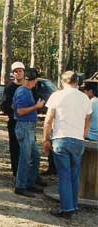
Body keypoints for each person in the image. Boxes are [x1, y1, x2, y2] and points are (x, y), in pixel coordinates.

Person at [43, 71, 92, 218]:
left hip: (61, 138)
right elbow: (88, 118)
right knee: (74, 174)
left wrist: (46, 139)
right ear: (77, 82)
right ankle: (73, 205)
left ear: (63, 82)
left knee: (64, 175)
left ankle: (66, 208)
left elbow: (48, 120)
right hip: (77, 139)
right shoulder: (85, 98)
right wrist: (83, 133)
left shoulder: (57, 96)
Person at [12, 68, 45, 197]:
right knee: (25, 158)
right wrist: (36, 107)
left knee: (35, 156)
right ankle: (20, 186)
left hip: (29, 127)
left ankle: (29, 183)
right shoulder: (22, 91)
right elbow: (19, 111)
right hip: (24, 126)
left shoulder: (27, 91)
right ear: (35, 80)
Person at [0, 62, 25, 178]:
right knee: (15, 148)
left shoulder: (30, 86)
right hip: (14, 122)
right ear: (13, 74)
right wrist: (14, 109)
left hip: (28, 122)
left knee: (30, 149)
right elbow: (4, 106)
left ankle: (30, 175)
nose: (18, 73)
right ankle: (16, 174)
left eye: (20, 71)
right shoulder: (9, 88)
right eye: (16, 71)